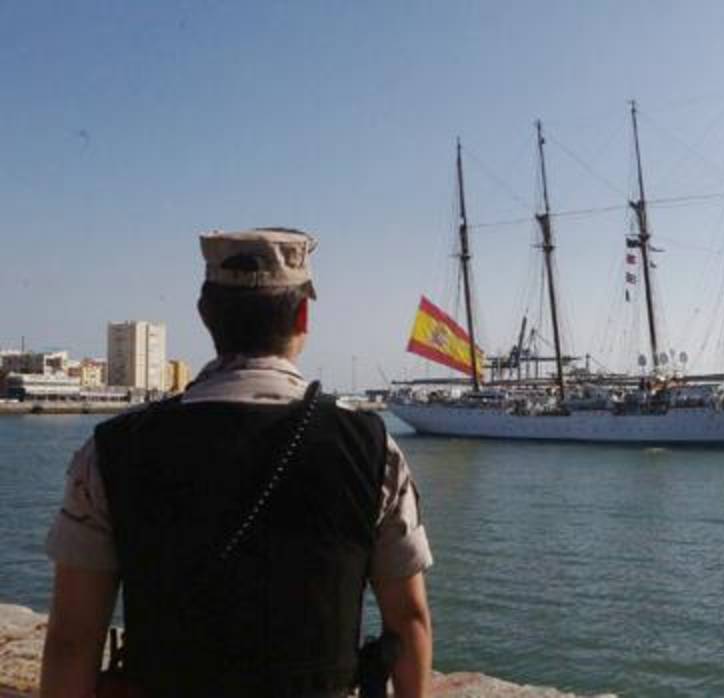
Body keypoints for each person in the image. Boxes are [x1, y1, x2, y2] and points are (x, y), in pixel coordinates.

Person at [39, 228, 433, 697]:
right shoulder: (372, 449)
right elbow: (408, 621)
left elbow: (71, 641)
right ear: (303, 315)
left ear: (205, 315)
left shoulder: (111, 450)